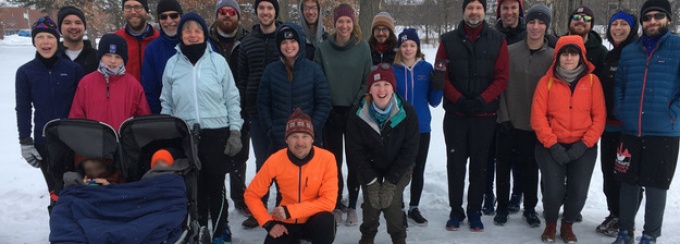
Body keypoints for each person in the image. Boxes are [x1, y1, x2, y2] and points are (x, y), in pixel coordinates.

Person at [160, 12, 243, 244]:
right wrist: (167, 132)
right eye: (187, 31)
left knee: (216, 187)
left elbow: (232, 98)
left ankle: (220, 230)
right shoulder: (172, 64)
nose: (192, 35)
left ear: (204, 34)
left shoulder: (217, 62)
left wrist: (235, 131)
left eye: (197, 30)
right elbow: (166, 102)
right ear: (181, 35)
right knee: (194, 188)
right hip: (186, 135)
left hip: (216, 132)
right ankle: (198, 230)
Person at [436, 0, 509, 232]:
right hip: (456, 115)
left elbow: (502, 77)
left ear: (484, 11)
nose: (474, 12)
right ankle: (456, 210)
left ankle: (475, 210)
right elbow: (441, 75)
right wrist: (458, 99)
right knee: (455, 164)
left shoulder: (498, 40)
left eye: (478, 8)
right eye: (470, 8)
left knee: (480, 165)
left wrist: (481, 100)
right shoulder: (447, 40)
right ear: (464, 11)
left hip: (484, 115)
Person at [613, 1, 680, 243]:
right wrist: (621, 109)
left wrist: (672, 113)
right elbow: (619, 83)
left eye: (658, 16)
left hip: (664, 131)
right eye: (647, 17)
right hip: (631, 129)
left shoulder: (678, 47)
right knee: (628, 183)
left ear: (668, 20)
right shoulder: (631, 51)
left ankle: (650, 235)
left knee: (656, 186)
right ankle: (624, 231)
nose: (652, 21)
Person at [531, 35, 605, 243]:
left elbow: (599, 117)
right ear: (557, 57)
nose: (569, 58)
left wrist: (583, 145)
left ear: (581, 56)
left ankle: (568, 225)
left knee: (578, 189)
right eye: (565, 53)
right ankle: (551, 224)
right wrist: (553, 145)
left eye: (574, 53)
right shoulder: (545, 82)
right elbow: (538, 117)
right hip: (551, 145)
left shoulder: (592, 82)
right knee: (553, 189)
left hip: (583, 146)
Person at [15, 16, 85, 214]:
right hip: (44, 142)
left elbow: (82, 104)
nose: (46, 42)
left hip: (73, 141)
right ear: (34, 41)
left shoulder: (73, 69)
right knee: (55, 189)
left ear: (57, 40)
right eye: (40, 37)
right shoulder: (25, 72)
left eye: (50, 37)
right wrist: (25, 141)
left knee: (76, 186)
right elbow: (23, 108)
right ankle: (59, 226)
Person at [493, 3, 553, 228]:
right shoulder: (509, 52)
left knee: (530, 168)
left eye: (540, 23)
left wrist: (544, 122)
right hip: (509, 120)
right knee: (503, 166)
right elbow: (500, 86)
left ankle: (529, 207)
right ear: (525, 23)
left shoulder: (552, 57)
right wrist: (503, 117)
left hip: (535, 124)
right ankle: (502, 206)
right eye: (531, 22)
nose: (535, 27)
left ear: (546, 26)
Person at [346, 64, 419, 244]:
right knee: (372, 203)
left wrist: (391, 180)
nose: (382, 90)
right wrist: (371, 180)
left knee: (391, 202)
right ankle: (367, 235)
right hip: (370, 167)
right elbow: (355, 150)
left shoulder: (407, 112)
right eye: (376, 85)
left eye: (386, 84)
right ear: (369, 89)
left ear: (393, 88)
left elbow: (409, 151)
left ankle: (398, 237)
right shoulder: (357, 114)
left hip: (399, 168)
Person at [314, 3, 372, 226]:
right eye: (340, 21)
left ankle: (353, 205)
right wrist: (328, 105)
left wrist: (356, 106)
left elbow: (367, 80)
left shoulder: (362, 48)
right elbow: (319, 80)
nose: (344, 25)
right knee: (333, 162)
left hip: (355, 112)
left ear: (353, 23)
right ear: (334, 23)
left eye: (348, 21)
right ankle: (336, 202)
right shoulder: (323, 49)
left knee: (355, 160)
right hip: (330, 112)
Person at [244, 108, 337, 244]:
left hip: (313, 220)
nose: (300, 143)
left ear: (312, 138)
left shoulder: (326, 159)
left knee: (326, 221)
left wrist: (290, 211)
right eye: (294, 137)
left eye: (305, 136)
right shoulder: (275, 160)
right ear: (287, 139)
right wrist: (268, 223)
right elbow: (251, 195)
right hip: (285, 224)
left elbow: (328, 202)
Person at [391, 28, 443, 227]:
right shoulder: (393, 69)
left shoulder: (426, 68)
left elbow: (434, 101)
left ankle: (414, 207)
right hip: (399, 128)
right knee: (401, 168)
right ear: (399, 47)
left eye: (412, 45)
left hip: (422, 127)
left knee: (418, 169)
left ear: (418, 47)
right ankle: (400, 207)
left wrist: (439, 86)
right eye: (404, 45)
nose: (408, 49)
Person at [237, 0, 282, 229]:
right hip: (255, 111)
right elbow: (242, 79)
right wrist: (245, 110)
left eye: (270, 8)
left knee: (285, 163)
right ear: (257, 12)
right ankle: (259, 208)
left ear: (275, 12)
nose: (265, 12)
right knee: (263, 163)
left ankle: (285, 207)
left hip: (283, 110)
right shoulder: (247, 43)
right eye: (262, 8)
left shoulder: (285, 37)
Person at [596, 9, 639, 237]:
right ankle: (614, 213)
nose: (618, 28)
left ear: (632, 29)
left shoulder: (636, 53)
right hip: (608, 126)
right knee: (609, 174)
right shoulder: (610, 55)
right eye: (615, 24)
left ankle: (627, 219)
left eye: (624, 24)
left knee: (626, 176)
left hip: (628, 129)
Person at [208, 0, 252, 219]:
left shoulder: (247, 39)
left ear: (238, 16)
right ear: (217, 15)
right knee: (213, 156)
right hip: (212, 107)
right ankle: (215, 199)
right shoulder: (207, 40)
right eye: (223, 12)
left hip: (240, 104)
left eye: (231, 12)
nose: (227, 15)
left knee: (239, 156)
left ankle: (240, 198)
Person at [257, 22, 331, 151]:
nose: (289, 46)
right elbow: (263, 103)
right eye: (284, 42)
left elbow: (324, 103)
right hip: (279, 140)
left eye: (292, 41)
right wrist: (271, 129)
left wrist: (311, 128)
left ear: (300, 43)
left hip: (308, 141)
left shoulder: (313, 69)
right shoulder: (271, 71)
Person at [484, 0, 526, 215]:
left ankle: (516, 194)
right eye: (505, 8)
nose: (509, 12)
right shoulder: (492, 36)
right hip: (494, 102)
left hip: (520, 103)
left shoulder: (529, 34)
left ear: (520, 9)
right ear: (499, 10)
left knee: (518, 155)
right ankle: (488, 194)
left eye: (513, 7)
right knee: (489, 153)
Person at [69, 34, 151, 131]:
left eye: (117, 57)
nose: (112, 61)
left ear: (124, 60)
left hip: (123, 142)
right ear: (100, 56)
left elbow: (143, 120)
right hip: (93, 142)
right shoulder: (86, 83)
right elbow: (77, 118)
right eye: (108, 55)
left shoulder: (133, 85)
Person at [141, 0, 184, 114]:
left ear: (181, 17)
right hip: (167, 117)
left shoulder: (197, 42)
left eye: (174, 16)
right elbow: (150, 90)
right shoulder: (152, 49)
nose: (169, 21)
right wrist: (160, 118)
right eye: (163, 17)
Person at [115, 0, 159, 82]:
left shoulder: (158, 39)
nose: (133, 12)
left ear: (146, 10)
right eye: (128, 7)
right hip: (126, 94)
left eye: (137, 7)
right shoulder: (116, 40)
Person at [566, 5, 608, 75]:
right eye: (576, 17)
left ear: (591, 25)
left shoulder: (601, 52)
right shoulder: (557, 45)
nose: (581, 20)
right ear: (570, 22)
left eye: (587, 18)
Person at [57, 6, 98, 74]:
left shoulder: (97, 58)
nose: (73, 27)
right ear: (60, 27)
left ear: (84, 27)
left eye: (78, 23)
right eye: (67, 23)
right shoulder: (53, 57)